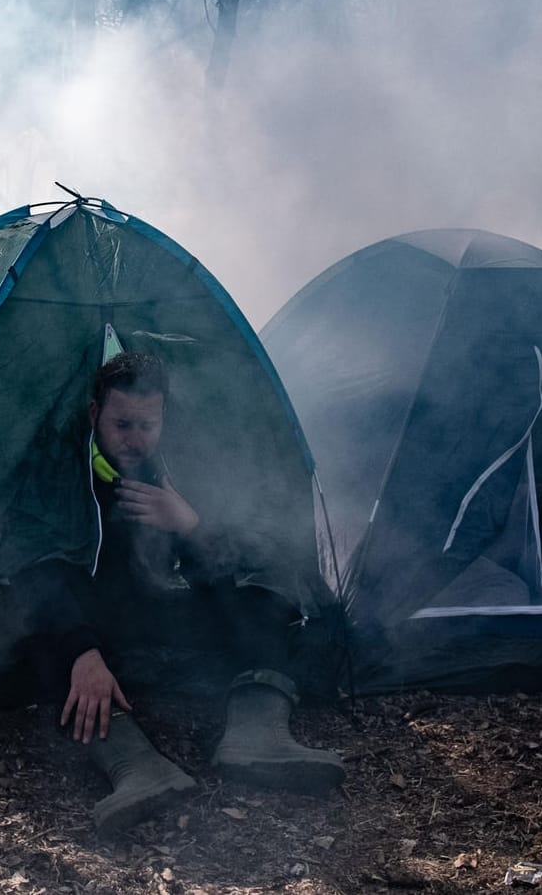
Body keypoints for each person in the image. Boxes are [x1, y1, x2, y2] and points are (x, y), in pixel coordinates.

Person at [42, 351, 344, 833]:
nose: (135, 440)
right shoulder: (63, 473)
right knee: (36, 630)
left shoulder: (182, 464)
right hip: (100, 623)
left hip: (162, 613)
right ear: (95, 415)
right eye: (122, 425)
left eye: (147, 425)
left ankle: (257, 736)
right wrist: (82, 652)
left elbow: (228, 569)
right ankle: (137, 768)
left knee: (271, 592)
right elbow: (44, 574)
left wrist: (189, 525)